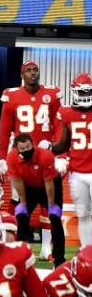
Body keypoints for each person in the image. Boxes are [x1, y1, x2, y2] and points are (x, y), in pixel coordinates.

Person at [8, 133, 65, 265]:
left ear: (32, 145)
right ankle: (21, 258)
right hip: (29, 187)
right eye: (23, 149)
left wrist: (51, 205)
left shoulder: (45, 156)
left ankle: (59, 261)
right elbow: (17, 181)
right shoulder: (12, 157)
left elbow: (49, 182)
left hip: (50, 185)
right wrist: (22, 202)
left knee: (55, 218)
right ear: (17, 149)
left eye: (29, 147)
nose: (27, 151)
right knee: (21, 216)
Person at [0, 61, 62, 171]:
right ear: (22, 75)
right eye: (28, 70)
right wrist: (2, 158)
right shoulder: (11, 95)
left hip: (45, 151)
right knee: (20, 187)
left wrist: (61, 155)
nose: (33, 73)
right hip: (21, 153)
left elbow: (59, 127)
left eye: (35, 70)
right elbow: (4, 130)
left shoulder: (51, 94)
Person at [51, 73, 92, 245]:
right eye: (81, 92)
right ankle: (87, 252)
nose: (85, 96)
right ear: (74, 92)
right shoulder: (66, 113)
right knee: (82, 214)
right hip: (76, 172)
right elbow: (63, 144)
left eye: (87, 92)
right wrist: (50, 149)